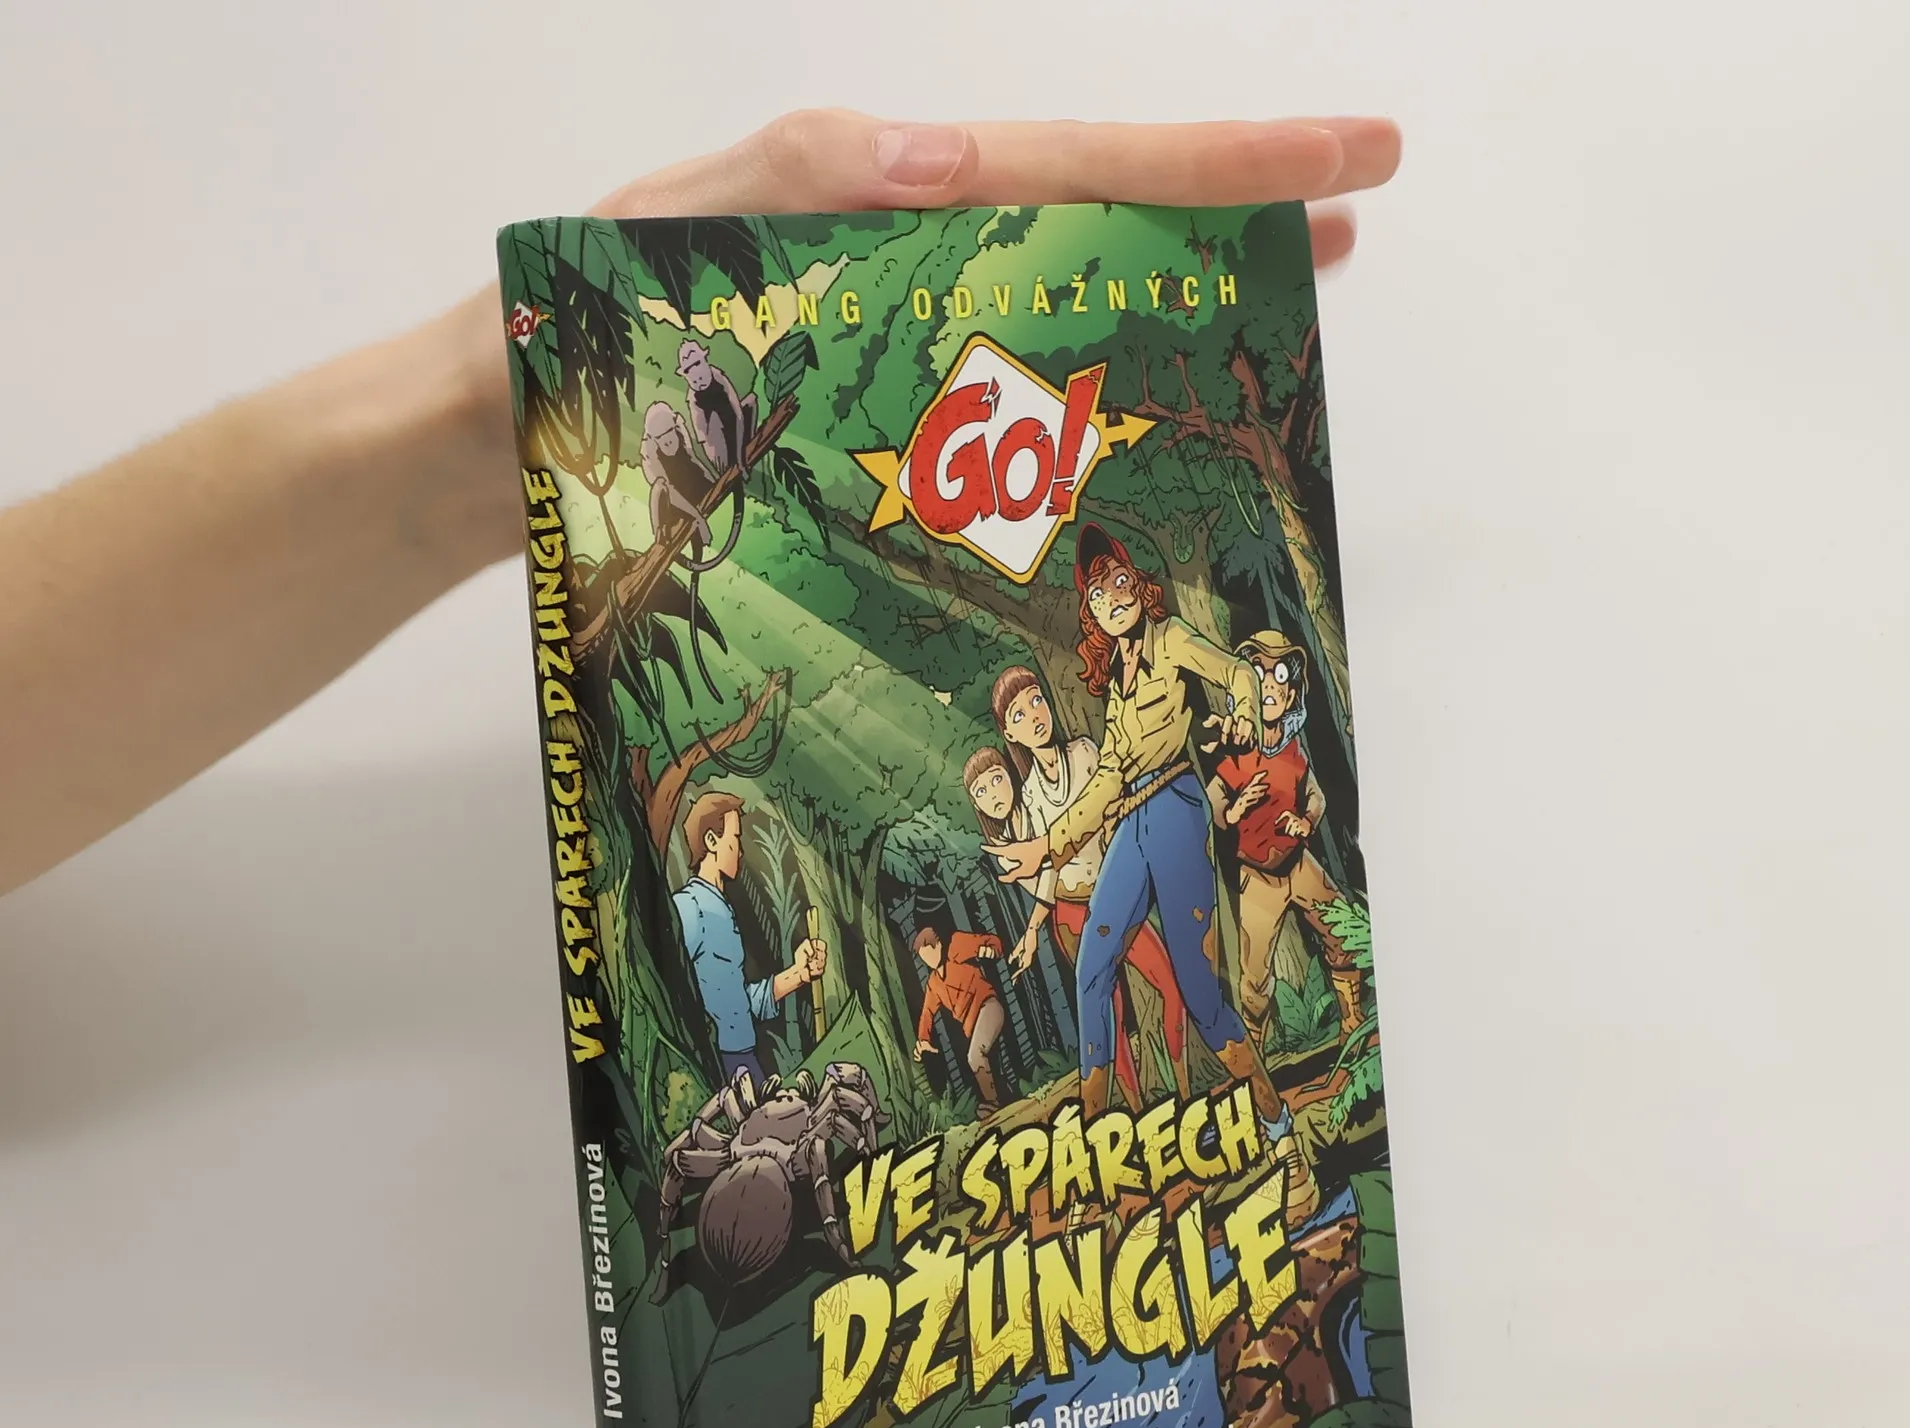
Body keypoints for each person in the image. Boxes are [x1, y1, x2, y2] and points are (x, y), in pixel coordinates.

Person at [0, 111, 1399, 899]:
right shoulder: (1071, 704)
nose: (1112, 605)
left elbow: (1193, 684)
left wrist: (484, 417)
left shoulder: (1148, 666)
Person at [992, 526, 1287, 1125]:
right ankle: (1097, 1133)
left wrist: (1244, 717)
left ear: (1138, 585)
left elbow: (1238, 674)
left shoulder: (1170, 638)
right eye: (1097, 595)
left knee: (1199, 990)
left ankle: (1275, 1119)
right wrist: (1046, 847)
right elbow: (1107, 777)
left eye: (1118, 582)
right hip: (1130, 821)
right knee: (1091, 972)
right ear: (1092, 613)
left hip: (1175, 806)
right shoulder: (1117, 680)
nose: (1111, 600)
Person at [989, 665, 1190, 1106]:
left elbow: (1118, 809)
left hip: (1118, 891)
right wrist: (1032, 929)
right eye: (1019, 714)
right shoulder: (1029, 798)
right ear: (1009, 733)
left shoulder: (1084, 753)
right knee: (1108, 1012)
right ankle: (1138, 1113)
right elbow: (1048, 868)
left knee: (1170, 982)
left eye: (1036, 701)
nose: (1034, 716)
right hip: (1073, 914)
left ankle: (1188, 1091)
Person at [1205, 631, 1365, 1047]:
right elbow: (1212, 802)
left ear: (1292, 694)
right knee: (1255, 978)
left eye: (1279, 677)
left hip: (1298, 864)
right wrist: (1234, 811)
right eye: (1259, 674)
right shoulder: (1237, 751)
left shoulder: (1294, 751)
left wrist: (1306, 820)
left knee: (1342, 931)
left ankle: (1354, 1024)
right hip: (1256, 878)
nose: (1270, 687)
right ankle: (1257, 1059)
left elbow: (1316, 796)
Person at [672, 790, 825, 1090]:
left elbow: (739, 1002)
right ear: (711, 841)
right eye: (736, 838)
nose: (740, 851)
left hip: (743, 1058)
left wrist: (799, 973)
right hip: (719, 1065)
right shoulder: (689, 906)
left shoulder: (721, 907)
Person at [910, 923, 1006, 1119]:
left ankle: (993, 1103)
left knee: (975, 1056)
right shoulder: (934, 984)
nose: (928, 961)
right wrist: (923, 1040)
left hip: (988, 1007)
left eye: (929, 952)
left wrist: (991, 950)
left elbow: (991, 941)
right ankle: (1000, 1102)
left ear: (938, 945)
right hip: (972, 1027)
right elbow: (927, 1012)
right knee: (985, 1063)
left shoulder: (956, 945)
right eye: (923, 957)